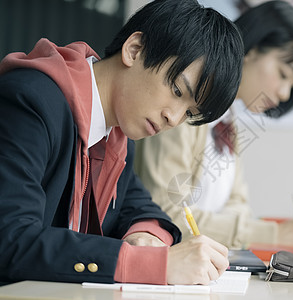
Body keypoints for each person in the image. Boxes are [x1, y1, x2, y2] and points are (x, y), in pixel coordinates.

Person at [0, 0, 244, 286]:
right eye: (177, 90)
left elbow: (142, 210)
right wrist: (151, 264)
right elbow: (11, 238)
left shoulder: (116, 137)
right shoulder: (30, 104)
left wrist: (146, 237)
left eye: (189, 113)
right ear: (135, 50)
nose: (173, 118)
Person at [134, 1, 293, 249]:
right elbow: (166, 211)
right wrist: (272, 235)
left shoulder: (228, 118)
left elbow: (238, 203)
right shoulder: (185, 109)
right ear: (252, 50)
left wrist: (249, 229)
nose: (286, 93)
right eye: (284, 74)